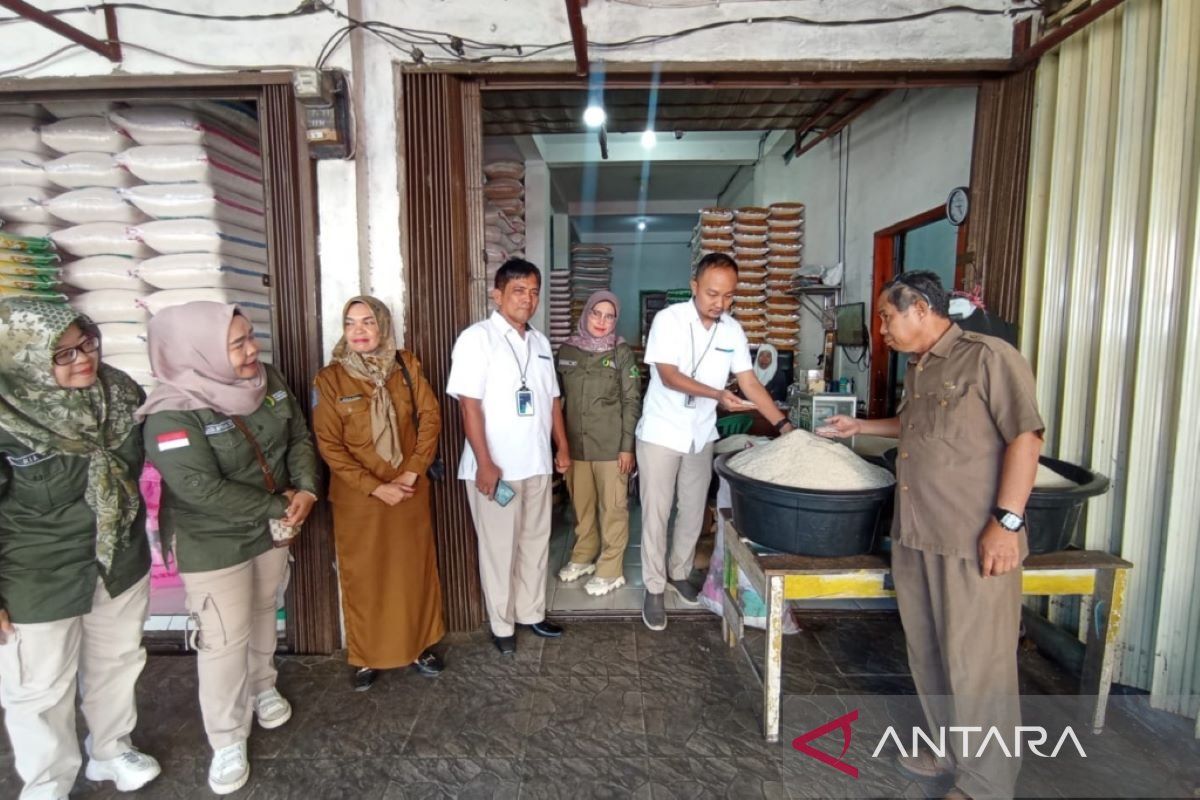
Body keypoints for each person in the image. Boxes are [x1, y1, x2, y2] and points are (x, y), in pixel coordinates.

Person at [820, 271, 1043, 800]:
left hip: (973, 540)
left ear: (919, 307)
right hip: (919, 536)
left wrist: (1007, 522)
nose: (882, 329)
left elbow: (1026, 437)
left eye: (886, 316)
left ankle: (985, 784)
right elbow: (916, 426)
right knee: (930, 652)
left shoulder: (989, 357)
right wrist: (862, 428)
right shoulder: (919, 369)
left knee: (977, 663)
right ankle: (950, 749)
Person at [138, 302, 319, 796]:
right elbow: (201, 489)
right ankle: (226, 737)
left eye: (249, 337)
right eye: (236, 344)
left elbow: (299, 435)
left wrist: (306, 489)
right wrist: (278, 503)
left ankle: (263, 684)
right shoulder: (172, 414)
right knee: (221, 638)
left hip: (273, 524)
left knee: (264, 609)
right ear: (197, 351)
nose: (252, 350)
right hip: (214, 538)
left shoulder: (268, 380)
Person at [0, 299, 161, 799]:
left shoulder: (118, 392)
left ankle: (110, 750)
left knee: (116, 662)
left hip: (117, 559)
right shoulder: (7, 417)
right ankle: (47, 781)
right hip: (36, 572)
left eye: (85, 343)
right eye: (62, 354)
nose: (82, 359)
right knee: (39, 687)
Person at [636, 253, 794, 631]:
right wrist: (718, 395)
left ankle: (679, 572)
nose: (719, 303)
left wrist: (783, 424)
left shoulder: (732, 331)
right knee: (656, 512)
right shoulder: (668, 321)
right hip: (661, 431)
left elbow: (751, 381)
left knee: (692, 511)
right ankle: (654, 588)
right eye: (711, 293)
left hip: (701, 432)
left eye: (727, 296)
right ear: (694, 287)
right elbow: (669, 376)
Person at [312, 296, 446, 691]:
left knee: (412, 571)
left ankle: (420, 646)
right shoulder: (329, 380)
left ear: (382, 325)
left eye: (368, 322)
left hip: (408, 492)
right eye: (351, 323)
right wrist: (376, 487)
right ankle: (367, 655)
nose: (359, 331)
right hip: (360, 502)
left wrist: (411, 472)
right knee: (365, 576)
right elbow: (329, 446)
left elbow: (430, 417)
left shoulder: (406, 364)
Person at [446, 258, 570, 654]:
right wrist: (484, 461)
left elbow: (552, 401)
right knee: (499, 549)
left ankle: (531, 613)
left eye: (534, 291)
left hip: (535, 463)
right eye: (519, 290)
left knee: (536, 542)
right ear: (496, 295)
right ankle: (502, 625)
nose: (528, 299)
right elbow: (469, 406)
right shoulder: (475, 339)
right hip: (494, 469)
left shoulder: (540, 342)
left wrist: (561, 448)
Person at [555, 290, 642, 596]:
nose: (602, 321)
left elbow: (632, 401)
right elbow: (556, 400)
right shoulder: (567, 350)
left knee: (613, 509)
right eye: (596, 313)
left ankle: (610, 569)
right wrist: (559, 444)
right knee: (582, 507)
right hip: (576, 446)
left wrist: (627, 446)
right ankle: (583, 556)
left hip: (611, 448)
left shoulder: (621, 353)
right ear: (586, 313)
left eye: (609, 316)